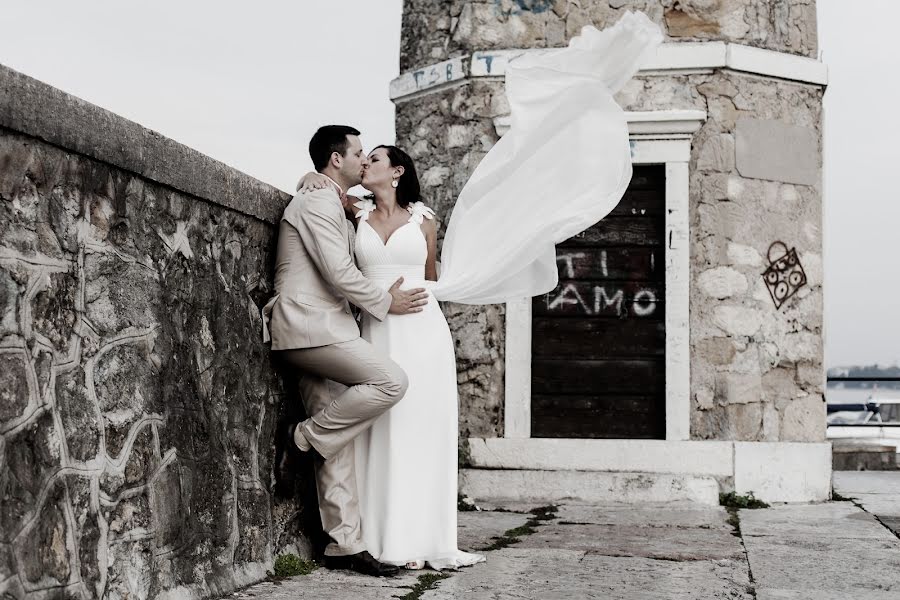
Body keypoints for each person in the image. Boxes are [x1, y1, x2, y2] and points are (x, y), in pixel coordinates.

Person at [290, 8, 663, 574]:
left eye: (375, 159)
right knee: (376, 428)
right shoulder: (350, 213)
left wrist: (425, 293)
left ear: (396, 172)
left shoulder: (424, 219)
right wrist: (376, 287)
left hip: (420, 326)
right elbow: (328, 237)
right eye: (361, 158)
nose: (366, 163)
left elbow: (434, 275)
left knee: (420, 426)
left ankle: (422, 534)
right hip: (373, 326)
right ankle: (374, 537)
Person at [262, 125, 430, 577]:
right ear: (337, 160)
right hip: (309, 327)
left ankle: (344, 544)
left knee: (339, 436)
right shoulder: (317, 200)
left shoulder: (329, 198)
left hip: (324, 327)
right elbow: (337, 271)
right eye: (358, 152)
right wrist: (385, 301)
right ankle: (302, 439)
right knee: (390, 381)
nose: (362, 159)